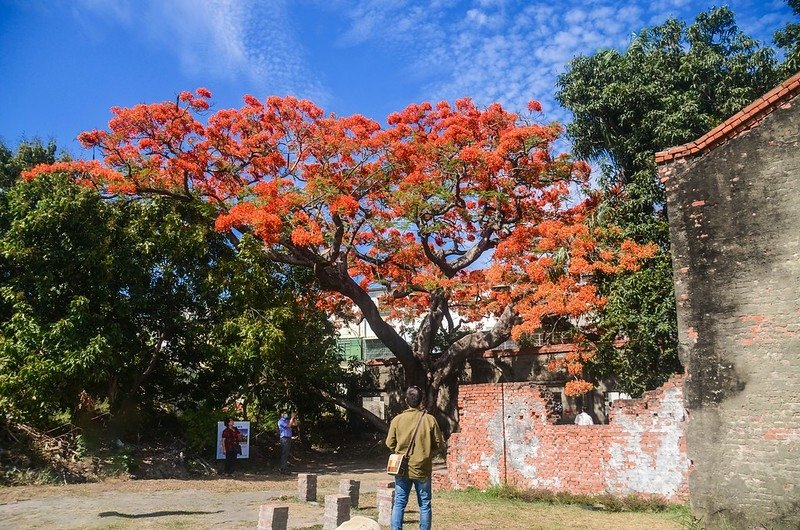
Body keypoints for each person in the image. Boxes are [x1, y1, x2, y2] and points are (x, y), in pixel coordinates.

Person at [385, 386, 444, 530]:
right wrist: (426, 453)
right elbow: (438, 444)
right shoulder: (430, 420)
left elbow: (389, 443)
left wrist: (399, 453)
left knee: (399, 503)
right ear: (421, 401)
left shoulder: (397, 420)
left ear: (406, 401)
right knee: (424, 504)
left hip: (401, 468)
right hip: (422, 468)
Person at [277, 410, 298, 475]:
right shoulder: (281, 421)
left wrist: (294, 418)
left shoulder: (287, 420)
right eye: (284, 413)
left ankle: (284, 468)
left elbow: (295, 424)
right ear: (281, 414)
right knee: (284, 454)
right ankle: (283, 469)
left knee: (286, 454)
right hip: (284, 439)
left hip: (288, 438)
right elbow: (289, 426)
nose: (285, 414)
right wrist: (292, 418)